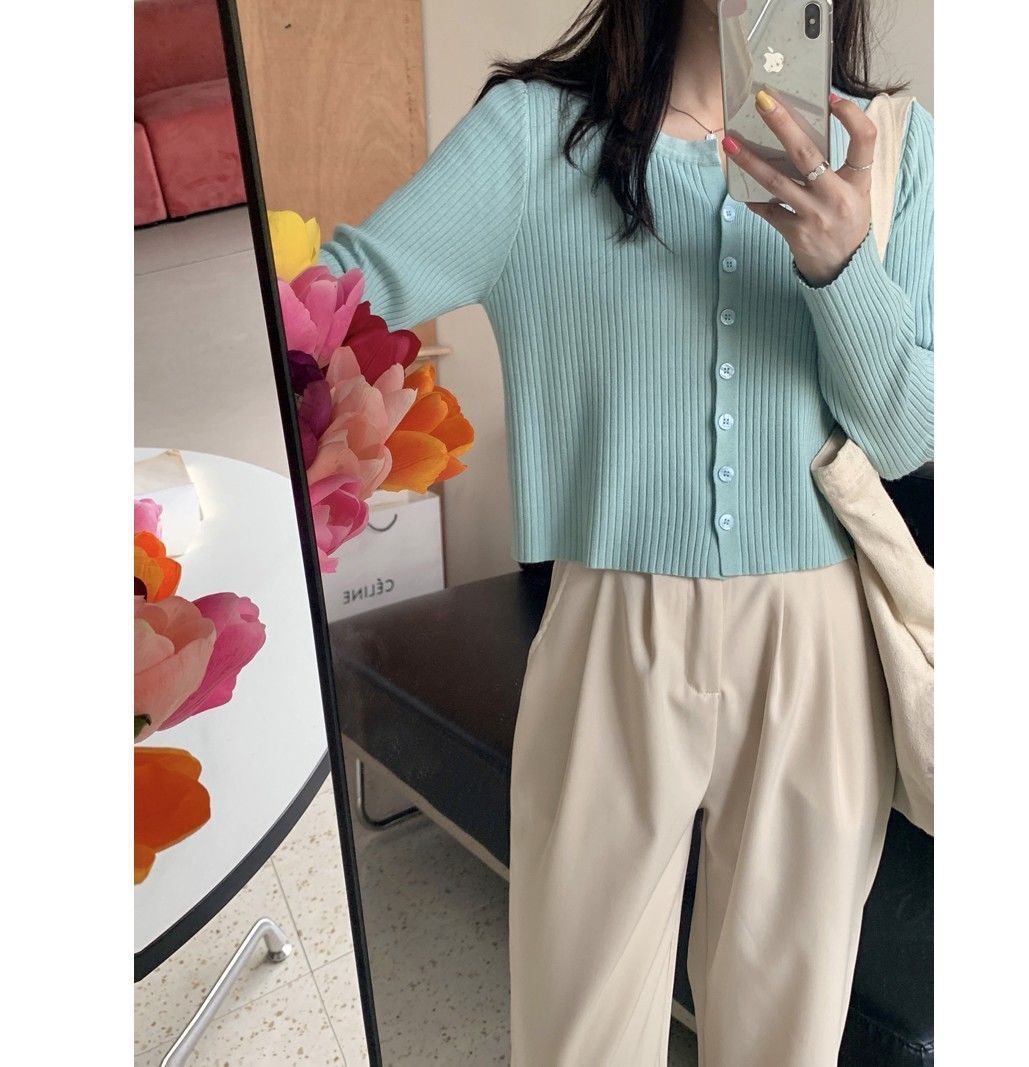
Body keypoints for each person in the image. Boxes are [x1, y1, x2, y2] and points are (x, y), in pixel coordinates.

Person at [318, 0, 933, 1062]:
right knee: (578, 1028)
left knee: (785, 1035)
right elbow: (332, 304)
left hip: (821, 639)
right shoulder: (532, 136)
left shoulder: (893, 149)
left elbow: (905, 432)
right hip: (610, 625)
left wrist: (842, 269)